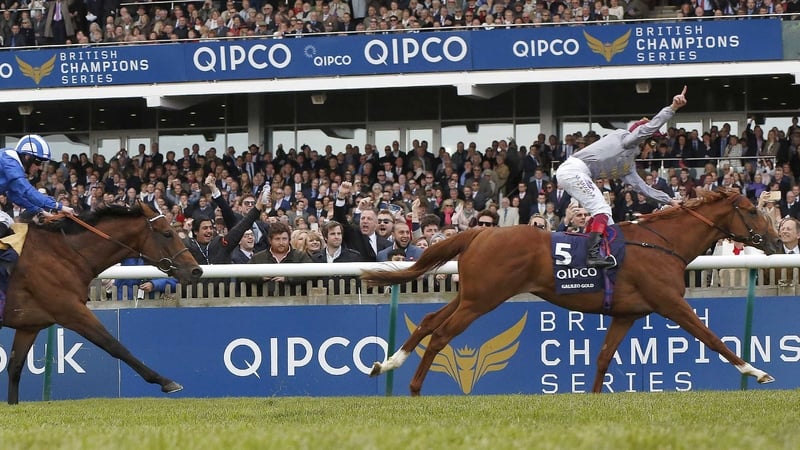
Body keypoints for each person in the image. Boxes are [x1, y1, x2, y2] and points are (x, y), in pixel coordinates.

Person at [554, 86, 687, 267]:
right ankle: (592, 255)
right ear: (645, 140)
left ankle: (607, 256)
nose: (653, 150)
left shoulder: (627, 166)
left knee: (609, 222)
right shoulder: (628, 140)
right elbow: (648, 128)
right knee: (603, 209)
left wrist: (670, 201)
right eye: (653, 144)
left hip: (575, 173)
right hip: (574, 170)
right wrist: (672, 108)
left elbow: (643, 188)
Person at [0, 135, 76, 328]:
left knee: (10, 246)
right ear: (26, 157)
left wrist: (41, 210)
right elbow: (24, 190)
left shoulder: (9, 162)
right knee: (9, 252)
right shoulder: (9, 161)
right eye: (37, 163)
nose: (38, 168)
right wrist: (58, 206)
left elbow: (15, 194)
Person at [248, 222, 312, 296]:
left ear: (289, 239)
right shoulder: (258, 257)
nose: (281, 243)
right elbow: (243, 275)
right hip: (265, 302)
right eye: (277, 239)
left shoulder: (300, 256)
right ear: (270, 240)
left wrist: (287, 279)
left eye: (284, 239)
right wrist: (261, 278)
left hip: (294, 301)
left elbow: (312, 274)